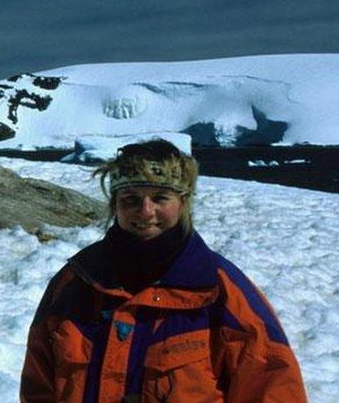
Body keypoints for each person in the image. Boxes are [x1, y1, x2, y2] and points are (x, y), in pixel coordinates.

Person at [20, 139, 306, 402]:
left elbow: (273, 386)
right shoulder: (75, 283)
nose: (145, 211)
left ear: (183, 203)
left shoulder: (220, 290)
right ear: (114, 205)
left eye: (160, 197)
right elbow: (38, 386)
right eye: (130, 199)